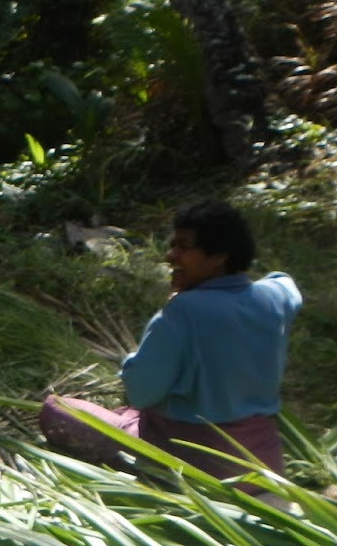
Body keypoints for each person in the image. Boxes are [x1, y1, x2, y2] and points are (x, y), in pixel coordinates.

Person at [40, 200, 302, 486]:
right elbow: (286, 283)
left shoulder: (183, 312)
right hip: (262, 463)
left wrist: (131, 361)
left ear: (219, 257)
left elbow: (140, 394)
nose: (170, 256)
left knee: (58, 410)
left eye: (184, 247)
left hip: (195, 466)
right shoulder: (275, 298)